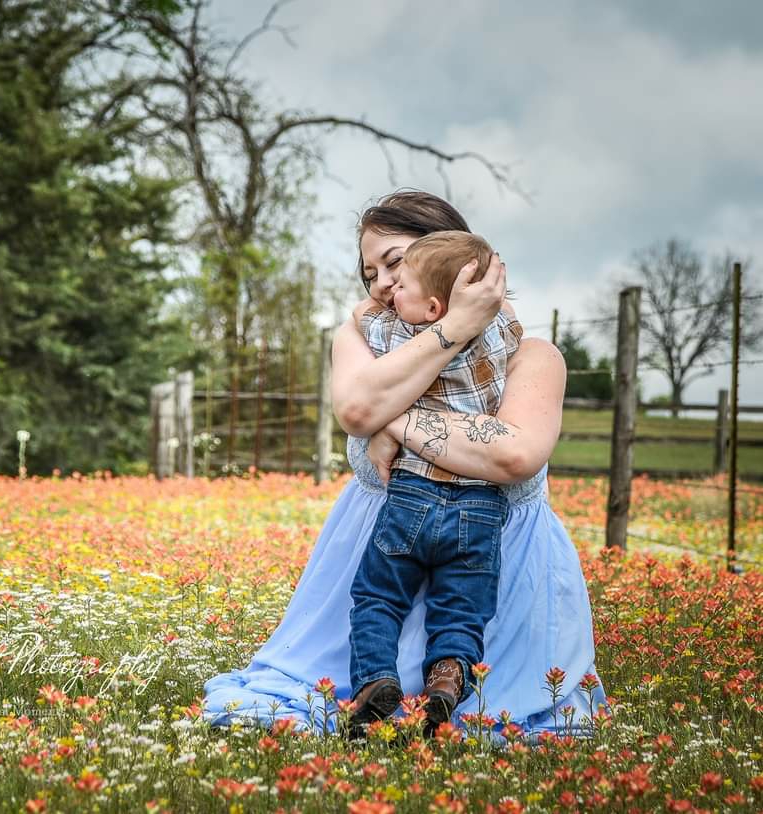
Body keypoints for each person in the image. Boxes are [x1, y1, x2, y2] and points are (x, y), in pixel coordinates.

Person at [201, 190, 606, 739]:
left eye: (395, 262)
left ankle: (451, 681)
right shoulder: (362, 339)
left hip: (502, 574)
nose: (380, 284)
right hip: (379, 557)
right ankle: (377, 683)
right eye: (370, 273)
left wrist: (391, 418)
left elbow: (512, 453)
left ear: (456, 258)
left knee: (496, 710)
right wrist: (450, 330)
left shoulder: (531, 354)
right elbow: (356, 410)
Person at [344, 231, 522, 738]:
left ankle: (375, 680)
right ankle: (447, 678)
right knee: (463, 611)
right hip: (481, 504)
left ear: (432, 308)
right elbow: (511, 323)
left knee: (378, 596)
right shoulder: (498, 334)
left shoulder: (398, 335)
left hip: (412, 496)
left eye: (401, 282)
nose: (388, 290)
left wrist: (386, 309)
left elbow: (362, 318)